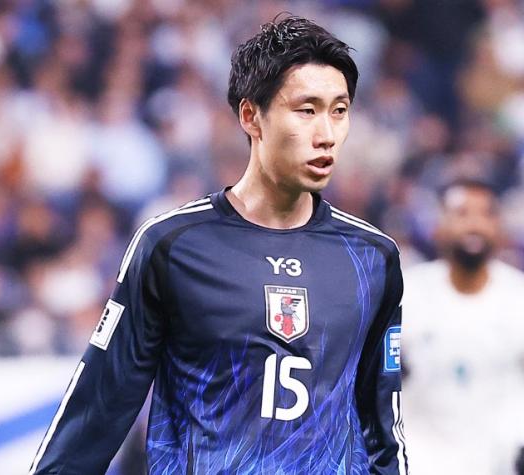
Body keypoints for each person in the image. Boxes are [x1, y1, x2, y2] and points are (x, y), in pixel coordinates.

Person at [30, 15, 408, 475]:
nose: (326, 134)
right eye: (306, 110)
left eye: (339, 111)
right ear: (251, 116)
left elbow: (382, 430)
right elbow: (97, 409)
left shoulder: (372, 258)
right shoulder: (173, 246)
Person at [401, 178, 524, 475]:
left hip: (496, 458)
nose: (474, 224)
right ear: (439, 226)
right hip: (422, 454)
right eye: (462, 213)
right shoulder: (406, 295)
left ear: (500, 227)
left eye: (486, 214)